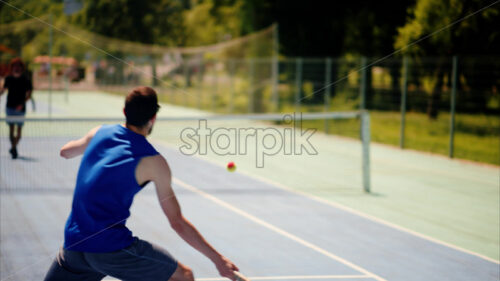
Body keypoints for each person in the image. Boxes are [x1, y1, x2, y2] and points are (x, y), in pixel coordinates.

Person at [44, 86, 239, 281]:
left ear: (124, 112)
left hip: (73, 245)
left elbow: (65, 152)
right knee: (183, 276)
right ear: (153, 119)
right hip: (110, 249)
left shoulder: (98, 132)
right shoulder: (153, 162)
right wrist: (218, 259)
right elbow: (177, 222)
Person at [0, 58, 33, 159]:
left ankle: (13, 147)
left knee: (19, 132)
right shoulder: (8, 78)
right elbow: (3, 91)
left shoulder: (26, 79)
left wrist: (22, 104)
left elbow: (29, 94)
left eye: (18, 66)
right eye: (15, 66)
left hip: (20, 109)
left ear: (21, 68)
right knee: (11, 129)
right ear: (12, 67)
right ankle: (13, 148)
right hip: (10, 107)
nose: (16, 68)